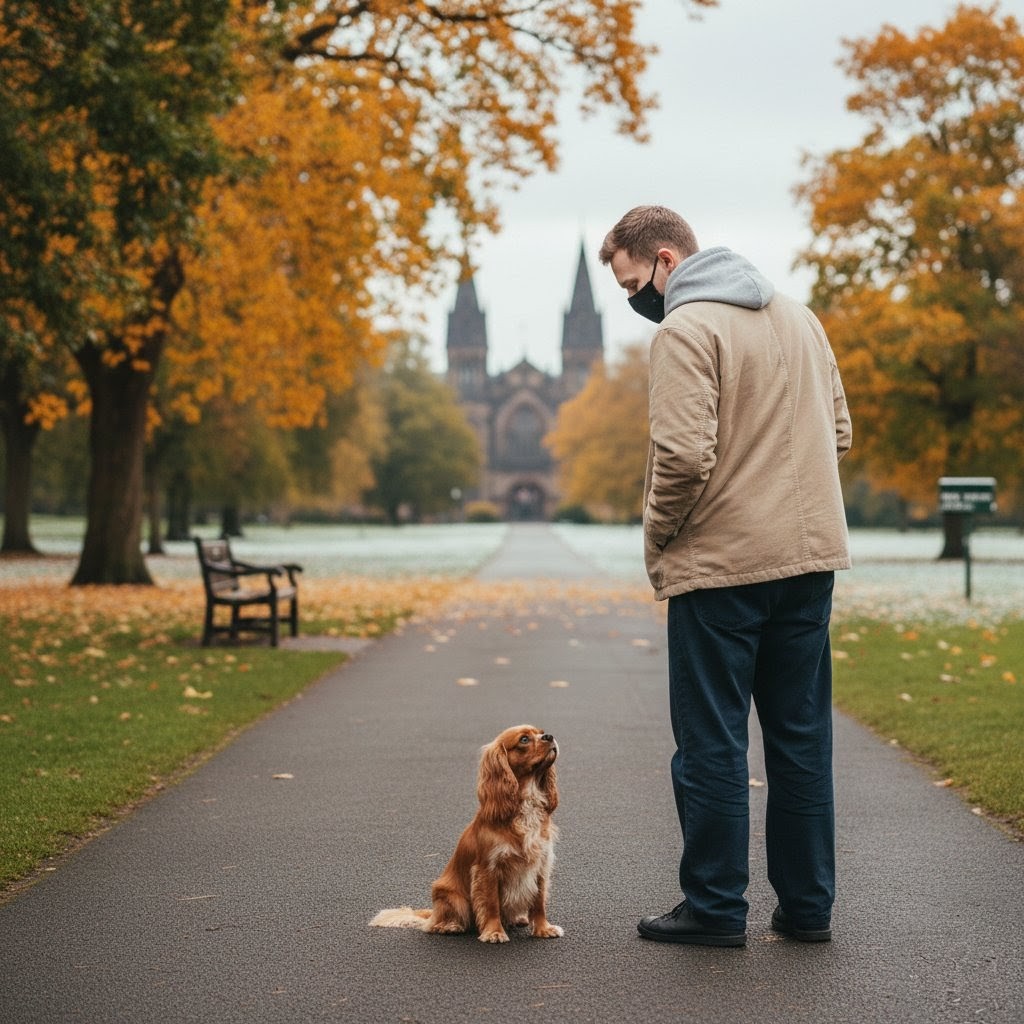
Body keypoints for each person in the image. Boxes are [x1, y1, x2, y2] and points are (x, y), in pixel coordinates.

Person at [598, 205, 852, 947]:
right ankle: (808, 910)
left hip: (720, 571)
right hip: (806, 564)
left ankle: (713, 908)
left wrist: (658, 535)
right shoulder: (801, 318)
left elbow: (682, 457)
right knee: (800, 742)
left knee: (711, 744)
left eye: (632, 282)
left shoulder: (687, 330)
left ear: (667, 260)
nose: (634, 299)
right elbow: (838, 433)